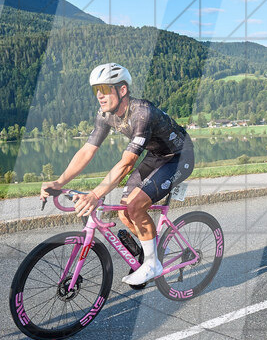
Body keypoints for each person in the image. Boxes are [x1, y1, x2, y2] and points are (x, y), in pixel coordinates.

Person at [40, 63, 194, 286]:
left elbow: (128, 162)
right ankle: (156, 245)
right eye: (96, 90)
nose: (100, 96)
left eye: (104, 88)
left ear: (122, 90)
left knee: (135, 205)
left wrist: (95, 194)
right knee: (124, 211)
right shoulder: (105, 115)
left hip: (179, 156)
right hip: (155, 155)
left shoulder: (142, 113)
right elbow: (87, 151)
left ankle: (152, 263)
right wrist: (60, 181)